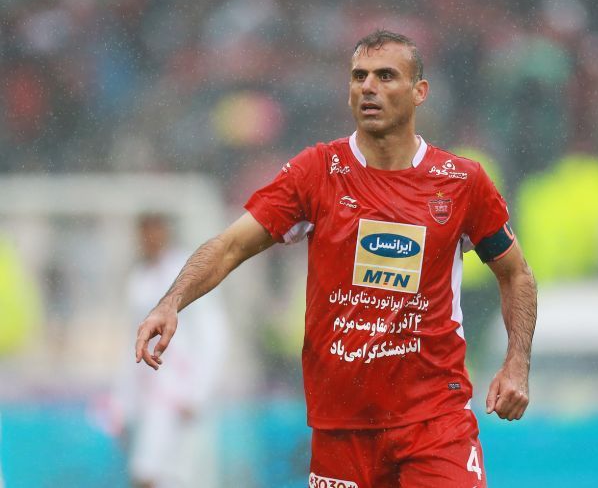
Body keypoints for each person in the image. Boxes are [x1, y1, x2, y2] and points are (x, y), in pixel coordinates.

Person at [135, 30, 538, 487]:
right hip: (341, 428)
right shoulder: (317, 172)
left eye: (386, 76)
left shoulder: (460, 182)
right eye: (359, 76)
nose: (369, 87)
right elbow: (231, 244)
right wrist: (171, 302)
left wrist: (517, 363)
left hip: (435, 421)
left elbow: (516, 274)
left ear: (419, 91)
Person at [116, 214, 228, 488]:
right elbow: (132, 343)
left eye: (154, 230)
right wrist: (124, 402)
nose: (149, 239)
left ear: (166, 232)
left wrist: (198, 391)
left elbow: (213, 333)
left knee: (170, 475)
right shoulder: (140, 279)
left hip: (180, 392)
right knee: (148, 475)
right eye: (144, 232)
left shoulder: (185, 274)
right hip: (149, 394)